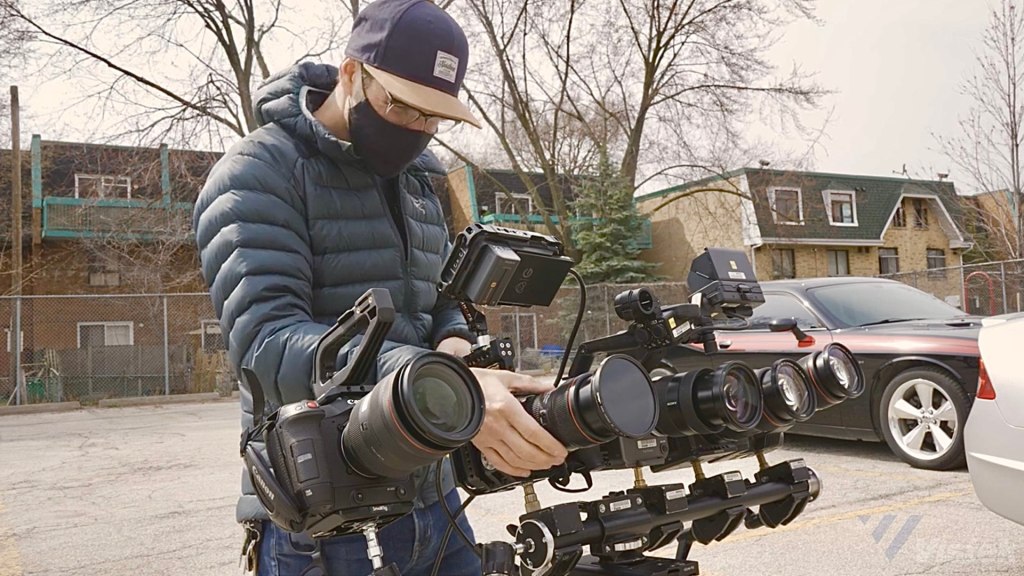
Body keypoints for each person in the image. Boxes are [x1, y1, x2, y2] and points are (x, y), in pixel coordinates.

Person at [192, 0, 568, 574]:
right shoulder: (256, 174)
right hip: (322, 506)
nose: (416, 130)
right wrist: (441, 384)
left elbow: (444, 297)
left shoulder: (423, 176)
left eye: (432, 116)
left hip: (433, 495)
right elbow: (266, 343)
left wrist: (456, 349)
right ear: (350, 74)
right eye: (401, 105)